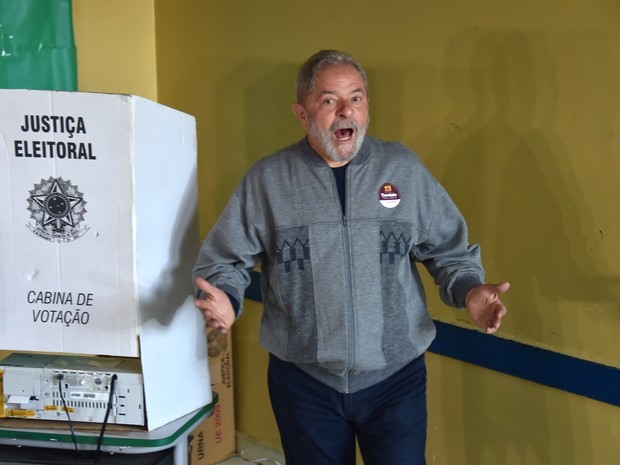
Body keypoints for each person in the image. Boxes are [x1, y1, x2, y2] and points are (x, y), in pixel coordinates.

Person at [193, 49, 509, 465]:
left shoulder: (403, 169)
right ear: (302, 114)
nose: (346, 112)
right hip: (304, 383)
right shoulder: (268, 181)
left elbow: (449, 251)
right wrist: (227, 300)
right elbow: (225, 261)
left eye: (356, 98)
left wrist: (469, 290)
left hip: (395, 380)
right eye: (329, 101)